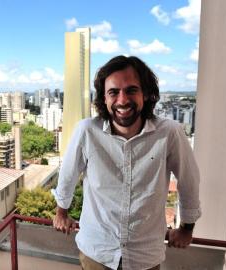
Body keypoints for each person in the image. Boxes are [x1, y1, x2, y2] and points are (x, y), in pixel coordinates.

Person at [52, 55, 201, 270]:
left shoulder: (169, 133)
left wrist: (187, 227)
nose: (122, 100)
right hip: (97, 251)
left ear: (146, 94)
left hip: (144, 256)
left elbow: (189, 181)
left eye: (131, 90)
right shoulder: (87, 131)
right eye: (113, 92)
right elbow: (67, 175)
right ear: (104, 98)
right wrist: (61, 213)